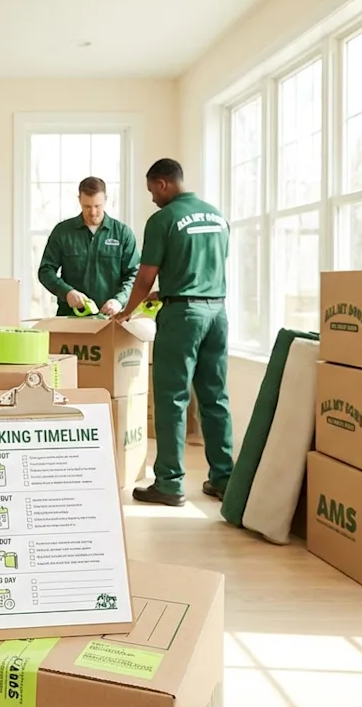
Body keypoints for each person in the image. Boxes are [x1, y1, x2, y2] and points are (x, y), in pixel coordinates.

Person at [115, 159, 233, 507]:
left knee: (171, 399)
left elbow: (144, 275)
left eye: (152, 190)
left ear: (163, 183)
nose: (152, 197)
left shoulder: (163, 219)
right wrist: (167, 292)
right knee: (215, 397)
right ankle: (224, 479)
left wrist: (128, 310)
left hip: (183, 317)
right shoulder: (217, 216)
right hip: (217, 312)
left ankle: (169, 483)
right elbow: (205, 267)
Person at [37, 177, 140, 317]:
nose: (92, 212)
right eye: (87, 206)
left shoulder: (123, 233)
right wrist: (67, 292)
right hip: (70, 316)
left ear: (105, 200)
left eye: (98, 206)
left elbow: (134, 275)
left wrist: (119, 300)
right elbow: (45, 271)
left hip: (111, 318)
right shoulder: (62, 232)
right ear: (79, 200)